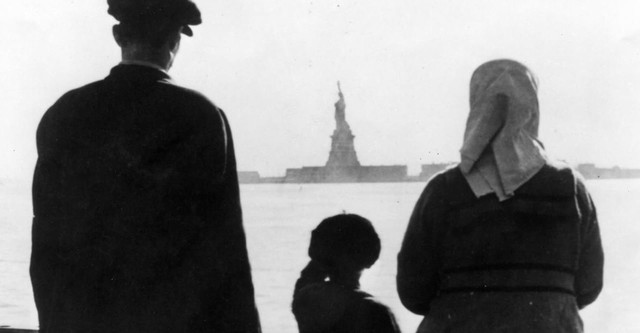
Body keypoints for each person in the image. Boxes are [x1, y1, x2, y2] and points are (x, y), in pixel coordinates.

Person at [30, 1, 261, 332]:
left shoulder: (64, 113)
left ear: (117, 35)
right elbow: (225, 247)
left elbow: (46, 239)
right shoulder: (201, 116)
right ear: (174, 40)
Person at [396, 59, 604, 333]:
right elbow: (589, 286)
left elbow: (413, 291)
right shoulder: (571, 187)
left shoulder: (443, 190)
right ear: (533, 108)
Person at [292, 214, 401, 333]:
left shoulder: (306, 300)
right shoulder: (375, 312)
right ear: (370, 257)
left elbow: (306, 278)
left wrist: (322, 259)